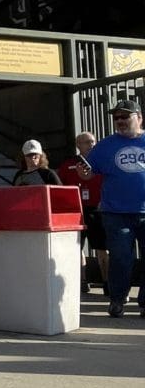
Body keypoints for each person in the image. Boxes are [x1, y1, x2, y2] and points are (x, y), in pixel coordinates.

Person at [78, 99, 145, 318]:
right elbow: (89, 172)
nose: (120, 121)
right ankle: (117, 299)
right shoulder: (105, 145)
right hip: (116, 213)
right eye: (117, 118)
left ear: (139, 118)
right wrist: (84, 174)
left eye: (125, 116)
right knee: (121, 258)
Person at [57, 132, 108, 294]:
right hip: (76, 211)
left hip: (98, 210)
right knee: (77, 247)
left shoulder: (103, 162)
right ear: (78, 145)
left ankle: (107, 282)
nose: (91, 145)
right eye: (87, 142)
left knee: (102, 247)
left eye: (93, 141)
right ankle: (83, 281)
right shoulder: (68, 165)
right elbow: (60, 187)